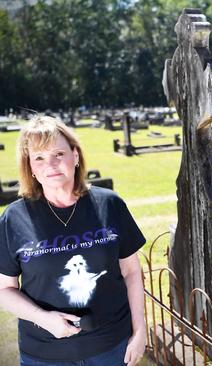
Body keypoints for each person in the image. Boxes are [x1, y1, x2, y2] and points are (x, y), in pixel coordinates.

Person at [0, 116, 147, 366]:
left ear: (75, 156)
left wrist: (140, 330)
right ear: (31, 168)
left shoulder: (110, 205)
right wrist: (43, 318)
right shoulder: (14, 218)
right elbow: (4, 290)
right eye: (39, 158)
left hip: (111, 348)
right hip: (45, 355)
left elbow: (132, 271)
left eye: (59, 153)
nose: (51, 164)